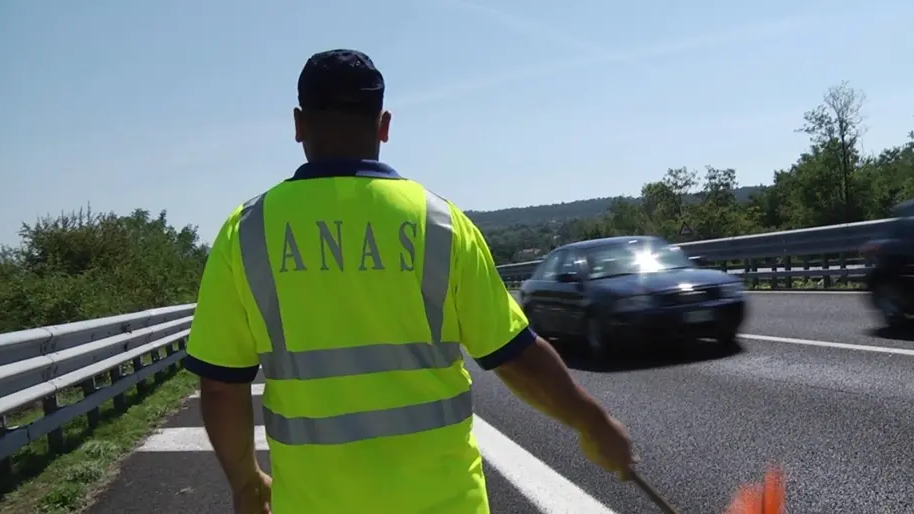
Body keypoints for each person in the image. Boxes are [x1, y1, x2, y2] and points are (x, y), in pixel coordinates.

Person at [182, 48, 635, 514]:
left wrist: (246, 483)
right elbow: (515, 355)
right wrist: (591, 421)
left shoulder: (246, 232)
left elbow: (221, 386)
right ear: (384, 125)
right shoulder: (440, 223)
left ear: (298, 124)